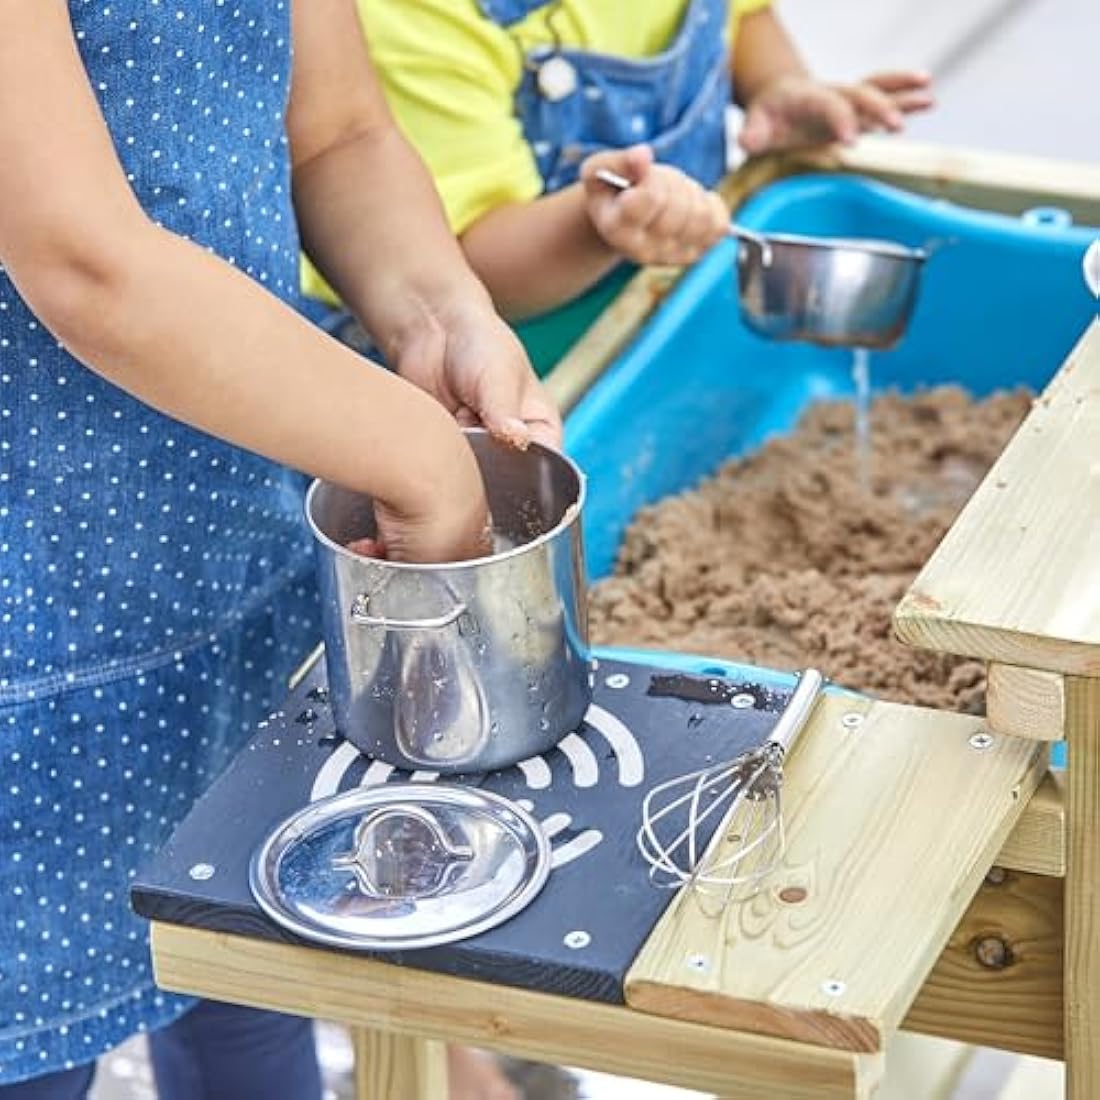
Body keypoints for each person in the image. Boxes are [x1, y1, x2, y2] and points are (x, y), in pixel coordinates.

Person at [0, 2, 553, 1098]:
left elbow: (338, 130)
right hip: (32, 630)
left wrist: (438, 312)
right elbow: (85, 263)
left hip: (228, 547)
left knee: (251, 974)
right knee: (37, 1048)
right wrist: (423, 464)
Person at [303, 0, 934, 374]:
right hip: (500, 352)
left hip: (656, 293)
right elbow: (458, 267)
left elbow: (739, 17)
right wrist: (595, 223)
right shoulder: (408, 20)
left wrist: (776, 86)